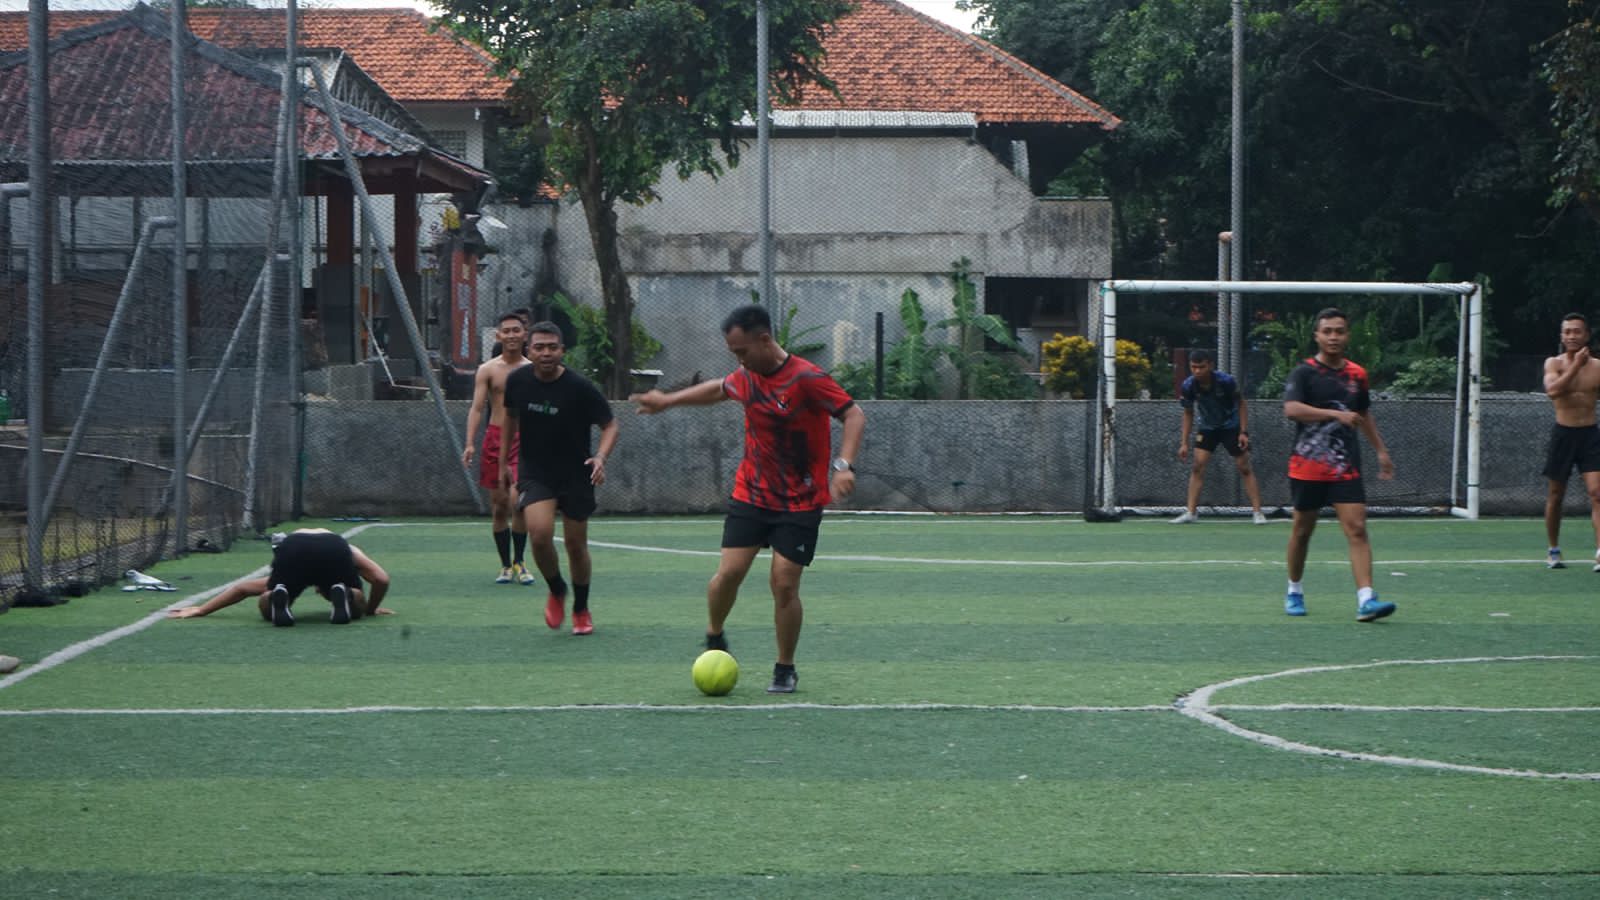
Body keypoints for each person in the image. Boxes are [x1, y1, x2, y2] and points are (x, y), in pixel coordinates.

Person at [630, 304, 866, 693]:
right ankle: (715, 634)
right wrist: (668, 401)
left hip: (801, 501)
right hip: (752, 494)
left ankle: (784, 667)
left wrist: (844, 464)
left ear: (764, 339)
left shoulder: (806, 378)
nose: (738, 360)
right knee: (728, 575)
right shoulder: (748, 377)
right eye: (733, 354)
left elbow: (853, 414)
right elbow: (720, 388)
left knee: (784, 584)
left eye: (742, 351)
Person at [496, 320, 620, 636]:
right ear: (529, 350)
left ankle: (580, 606)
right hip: (536, 471)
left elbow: (610, 425)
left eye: (552, 347)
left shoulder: (580, 388)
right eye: (539, 347)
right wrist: (504, 462)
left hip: (576, 473)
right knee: (539, 534)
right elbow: (509, 419)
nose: (546, 353)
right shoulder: (518, 382)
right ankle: (556, 589)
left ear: (563, 351)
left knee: (576, 546)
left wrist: (600, 458)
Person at [1281, 307, 1396, 622]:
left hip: (1346, 467)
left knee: (1357, 529)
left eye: (1339, 331)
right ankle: (1294, 589)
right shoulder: (1303, 373)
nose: (1333, 336)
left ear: (1347, 335)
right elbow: (1291, 409)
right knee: (1302, 532)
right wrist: (1335, 414)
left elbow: (1364, 414)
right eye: (1327, 331)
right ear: (1317, 336)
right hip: (1307, 467)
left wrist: (1381, 451)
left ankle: (1366, 599)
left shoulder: (1357, 375)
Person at [167, 528, 392, 624]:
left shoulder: (298, 556)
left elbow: (242, 589)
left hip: (293, 544)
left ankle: (275, 597)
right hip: (333, 546)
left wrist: (202, 609)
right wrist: (370, 610)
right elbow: (381, 579)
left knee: (272, 591)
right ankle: (349, 596)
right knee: (357, 599)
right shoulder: (349, 551)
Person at [463, 311, 536, 585]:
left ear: (524, 334)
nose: (512, 335)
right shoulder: (488, 370)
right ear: (498, 335)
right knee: (500, 506)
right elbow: (477, 407)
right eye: (506, 331)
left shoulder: (533, 369)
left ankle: (520, 562)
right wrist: (470, 443)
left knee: (519, 501)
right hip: (495, 439)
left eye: (517, 330)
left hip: (526, 441)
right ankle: (505, 565)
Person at [1171, 348, 1268, 525]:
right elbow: (1188, 413)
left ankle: (1258, 512)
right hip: (1207, 428)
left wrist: (1243, 432)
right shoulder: (1188, 385)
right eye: (1193, 367)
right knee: (1197, 466)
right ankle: (1191, 512)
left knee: (1244, 466)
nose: (1197, 371)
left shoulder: (1226, 381)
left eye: (1201, 367)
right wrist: (1183, 442)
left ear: (1210, 365)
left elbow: (1241, 404)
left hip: (1230, 426)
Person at [1540, 312, 1600, 571]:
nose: (1572, 336)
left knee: (1597, 493)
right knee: (1556, 494)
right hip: (1563, 433)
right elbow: (1553, 391)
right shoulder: (1554, 364)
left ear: (1586, 335)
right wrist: (1576, 365)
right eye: (1568, 332)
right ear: (1562, 337)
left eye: (1577, 331)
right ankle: (1553, 550)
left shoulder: (1598, 367)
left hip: (1590, 434)